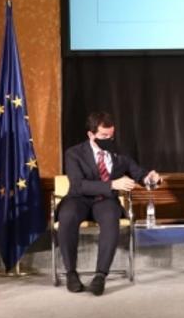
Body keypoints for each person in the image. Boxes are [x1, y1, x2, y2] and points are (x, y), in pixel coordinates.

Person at [57, 111, 161, 296]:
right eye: (104, 136)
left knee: (111, 218)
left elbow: (137, 172)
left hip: (105, 201)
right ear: (91, 134)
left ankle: (100, 276)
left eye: (111, 135)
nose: (108, 139)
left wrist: (150, 178)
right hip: (78, 198)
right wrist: (112, 184)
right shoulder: (74, 153)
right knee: (67, 217)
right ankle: (71, 273)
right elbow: (79, 184)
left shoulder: (119, 152)